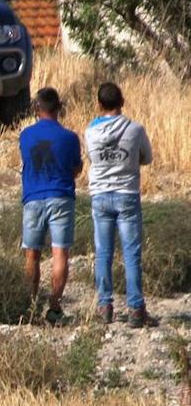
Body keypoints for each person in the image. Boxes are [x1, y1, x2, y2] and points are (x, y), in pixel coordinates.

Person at [86, 82, 157, 327]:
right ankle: (136, 308)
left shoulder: (90, 131)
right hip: (127, 194)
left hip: (100, 196)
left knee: (103, 252)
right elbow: (147, 158)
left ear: (99, 104)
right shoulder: (135, 129)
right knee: (131, 253)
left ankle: (105, 306)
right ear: (122, 102)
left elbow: (91, 158)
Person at [18, 87, 82, 325]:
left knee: (32, 254)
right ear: (59, 108)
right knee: (60, 253)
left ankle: (30, 305)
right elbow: (75, 169)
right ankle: (54, 307)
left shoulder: (25, 136)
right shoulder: (70, 138)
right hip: (61, 196)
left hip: (33, 198)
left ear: (37, 108)